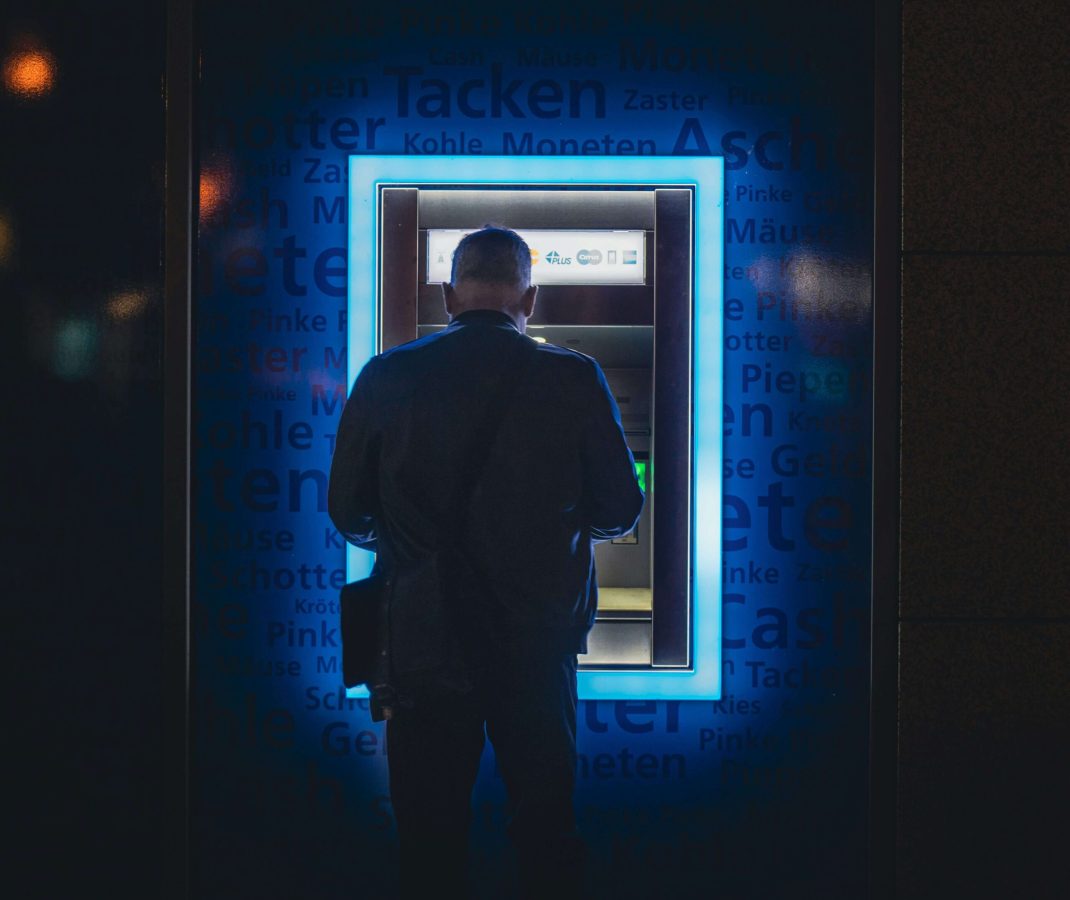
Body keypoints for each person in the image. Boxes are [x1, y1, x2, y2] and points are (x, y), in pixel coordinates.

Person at [328, 226, 644, 899]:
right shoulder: (573, 376)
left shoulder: (388, 375)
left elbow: (347, 513)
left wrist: (411, 546)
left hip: (423, 641)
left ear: (449, 295)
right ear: (530, 296)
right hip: (537, 644)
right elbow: (620, 508)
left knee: (429, 835)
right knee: (546, 831)